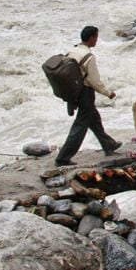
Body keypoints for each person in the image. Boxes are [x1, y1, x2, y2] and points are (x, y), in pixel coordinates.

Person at [55, 26, 122, 166]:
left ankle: (108, 144)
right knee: (80, 126)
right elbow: (94, 81)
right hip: (85, 92)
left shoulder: (73, 51)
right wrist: (108, 93)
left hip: (75, 91)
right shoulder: (88, 57)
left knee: (94, 119)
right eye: (96, 37)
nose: (97, 40)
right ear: (91, 38)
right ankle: (63, 158)